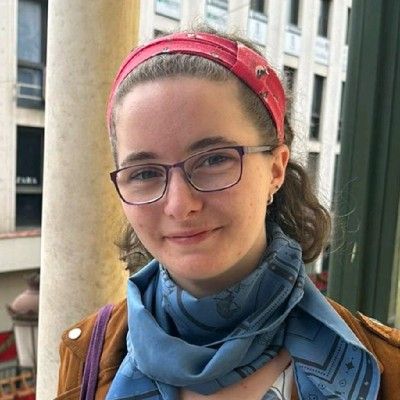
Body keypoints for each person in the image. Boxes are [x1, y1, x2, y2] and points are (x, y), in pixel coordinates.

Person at [56, 29, 400, 400]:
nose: (179, 204)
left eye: (214, 160)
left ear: (276, 169)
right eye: (144, 173)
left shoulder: (389, 366)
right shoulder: (87, 353)